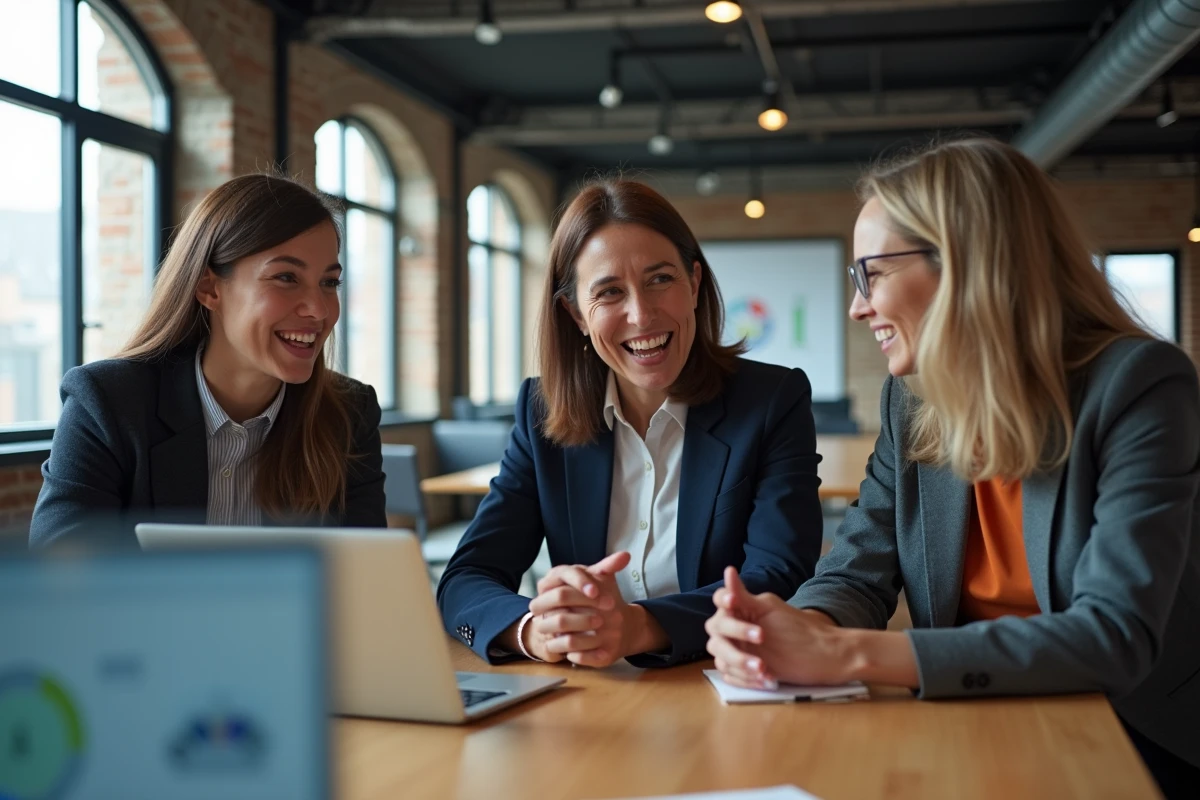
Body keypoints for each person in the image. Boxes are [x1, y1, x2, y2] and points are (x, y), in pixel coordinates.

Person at [704, 138, 1200, 797]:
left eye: (870, 274)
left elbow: (1112, 636)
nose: (857, 307)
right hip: (975, 713)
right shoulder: (912, 401)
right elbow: (857, 572)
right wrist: (797, 626)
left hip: (1137, 735)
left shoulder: (1138, 386)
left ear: (965, 262)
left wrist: (847, 654)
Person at [437, 179, 823, 668]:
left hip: (719, 681)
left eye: (661, 279)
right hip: (591, 698)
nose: (641, 314)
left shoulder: (771, 400)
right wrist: (537, 631)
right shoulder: (541, 412)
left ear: (695, 283)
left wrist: (638, 626)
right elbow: (465, 579)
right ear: (575, 313)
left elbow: (779, 576)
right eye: (609, 292)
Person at [30, 174, 386, 548]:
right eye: (286, 277)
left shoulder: (348, 413)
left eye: (329, 283)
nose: (318, 310)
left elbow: (364, 580)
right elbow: (62, 582)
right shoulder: (109, 403)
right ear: (209, 287)